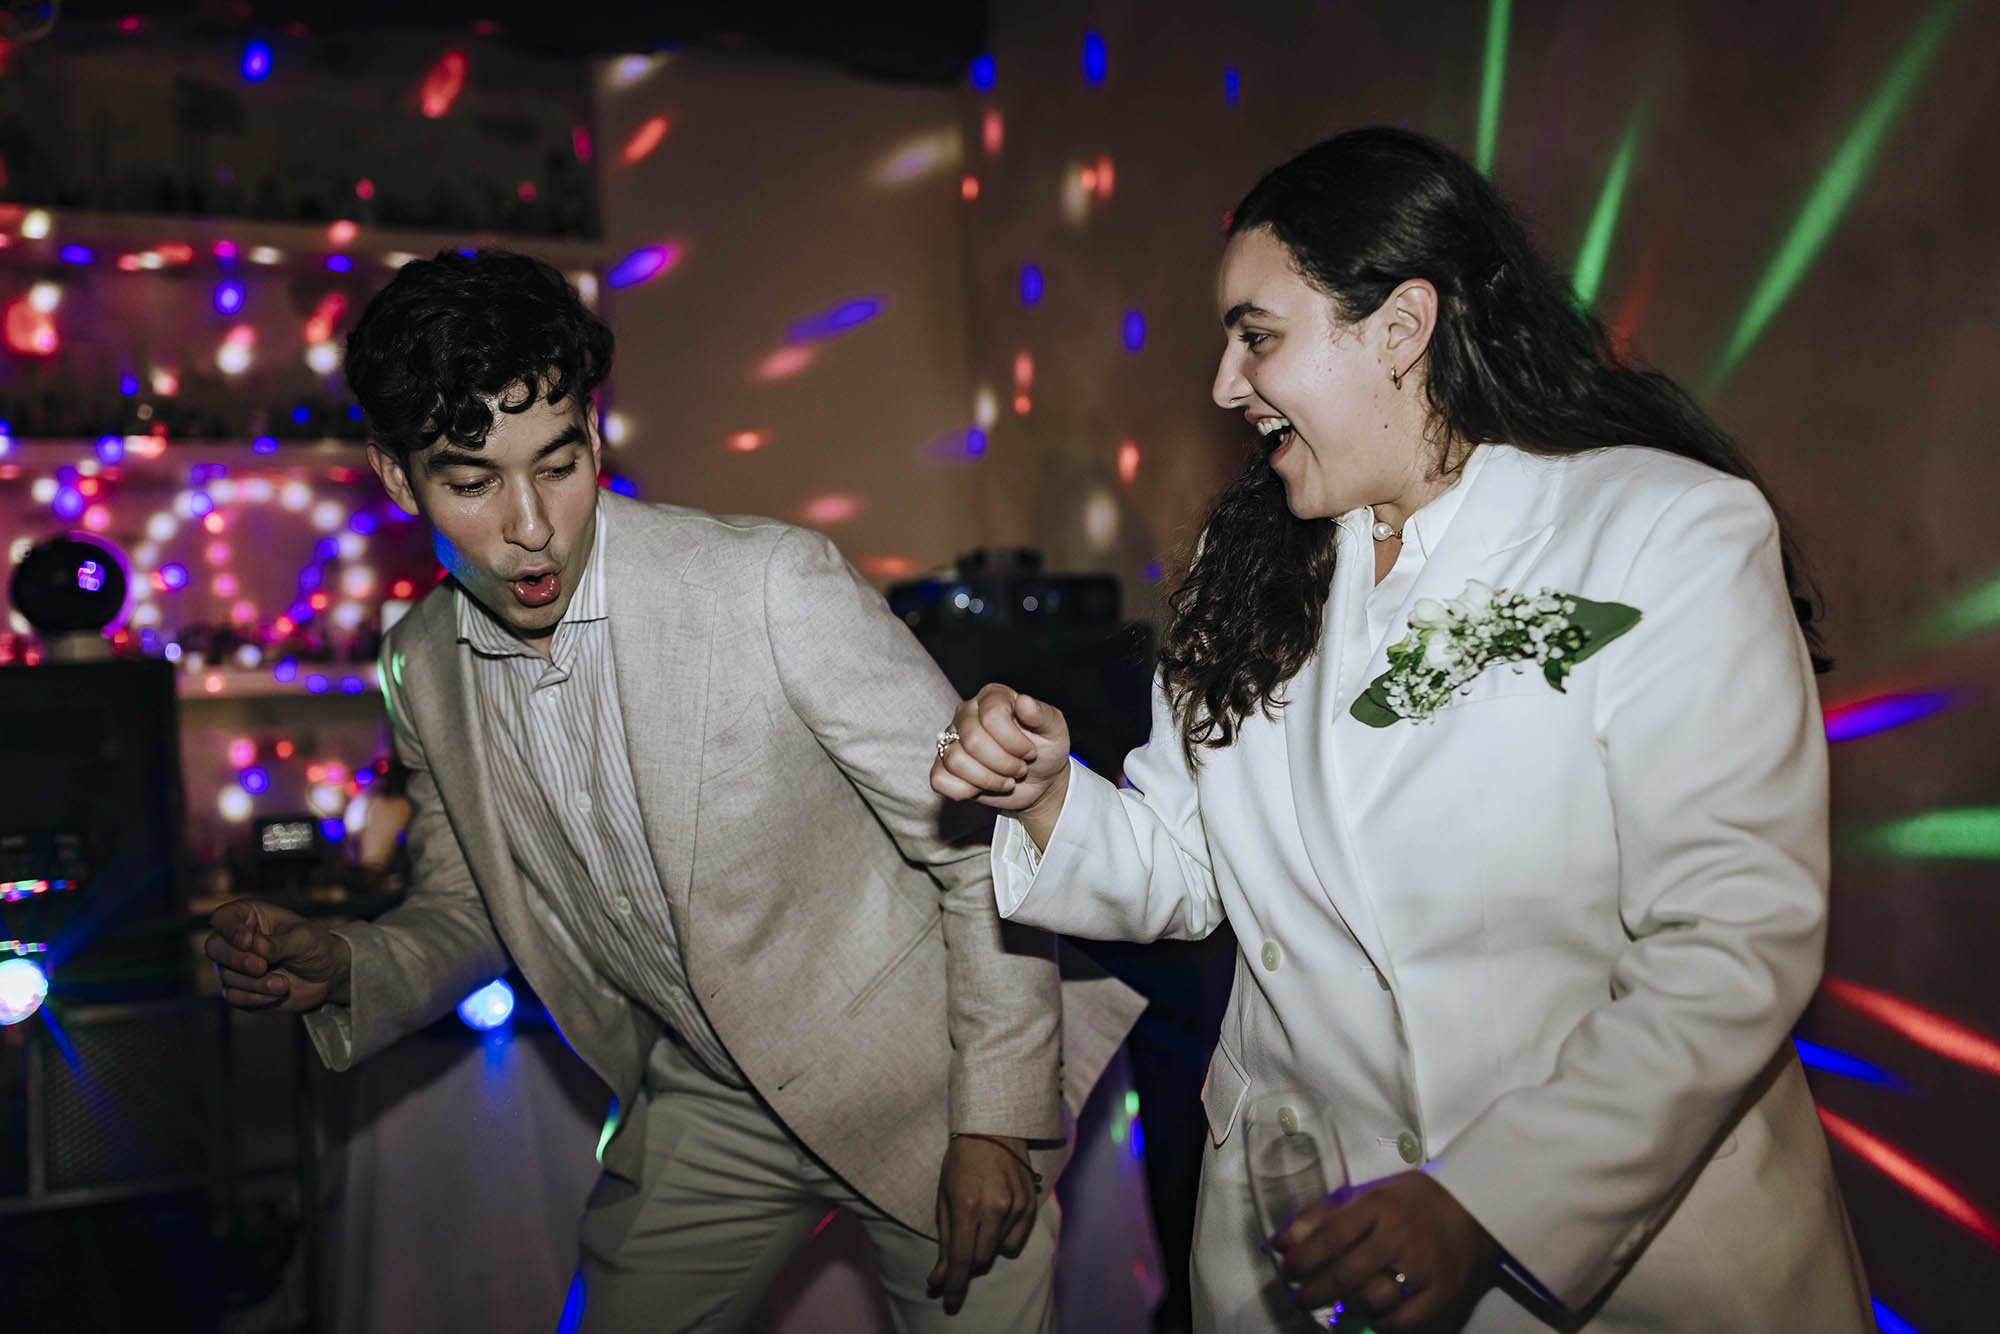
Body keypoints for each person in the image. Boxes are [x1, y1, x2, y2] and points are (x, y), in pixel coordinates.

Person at [932, 127, 1872, 1333]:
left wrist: (1488, 1197)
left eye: (1256, 336)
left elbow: (1731, 935)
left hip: (1612, 1258)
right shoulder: (1243, 561)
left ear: (1399, 327)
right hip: (1304, 1232)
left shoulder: (1656, 531)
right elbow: (1189, 866)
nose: (1223, 384)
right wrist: (1045, 792)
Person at [204, 249, 1142, 1332]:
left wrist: (996, 1120)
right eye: (472, 482)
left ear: (595, 436)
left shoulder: (766, 583)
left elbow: (977, 845)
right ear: (396, 475)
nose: (530, 524)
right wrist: (349, 964)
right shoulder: (418, 665)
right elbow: (470, 906)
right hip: (704, 1095)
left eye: (558, 464)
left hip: (925, 1074)